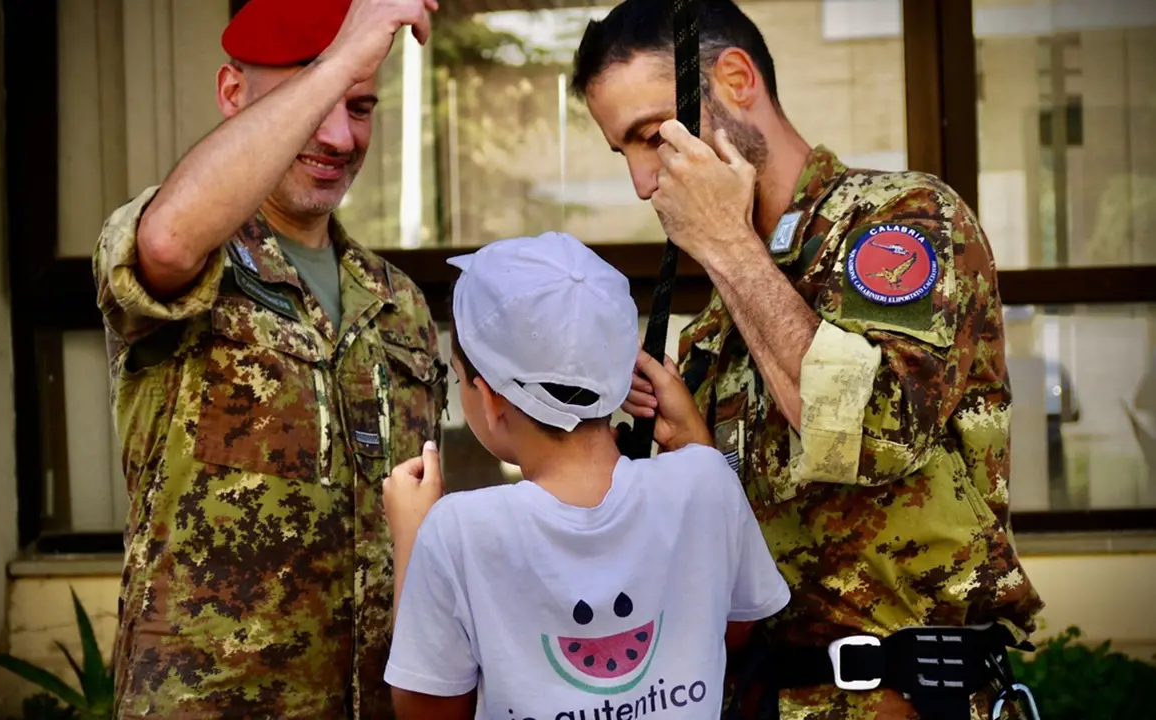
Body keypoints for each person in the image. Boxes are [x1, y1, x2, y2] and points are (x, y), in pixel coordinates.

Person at [569, 1, 1045, 718]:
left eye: (651, 135)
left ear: (735, 79)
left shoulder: (900, 220)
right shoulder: (717, 320)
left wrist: (726, 244)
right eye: (623, 152)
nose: (642, 181)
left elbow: (874, 435)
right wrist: (694, 451)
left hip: (902, 698)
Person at [90, 0, 445, 716]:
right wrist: (343, 60)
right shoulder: (198, 256)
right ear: (233, 93)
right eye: (311, 95)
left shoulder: (398, 301)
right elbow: (165, 246)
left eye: (361, 106)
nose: (339, 137)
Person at [379, 232, 792, 719]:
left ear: (489, 399)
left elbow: (425, 709)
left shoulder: (457, 532)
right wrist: (691, 441)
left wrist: (412, 539)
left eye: (457, 377)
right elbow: (729, 627)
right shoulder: (705, 479)